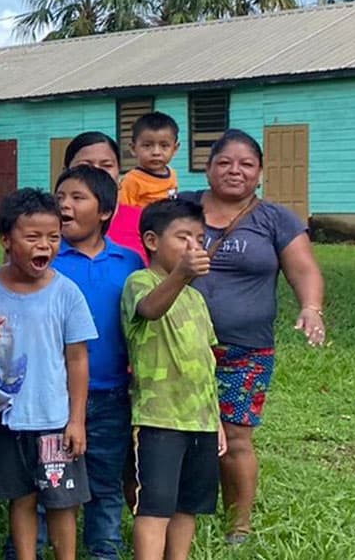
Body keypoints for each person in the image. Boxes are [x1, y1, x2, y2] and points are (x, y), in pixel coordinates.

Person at [175, 129, 327, 546]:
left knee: (236, 436)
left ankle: (238, 526)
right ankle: (168, 514)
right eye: (224, 162)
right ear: (208, 169)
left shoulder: (275, 219)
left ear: (260, 172)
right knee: (169, 433)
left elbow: (304, 269)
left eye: (246, 164)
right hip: (175, 346)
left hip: (245, 349)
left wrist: (310, 307)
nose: (235, 171)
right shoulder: (180, 207)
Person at [0, 189, 98, 560]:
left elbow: (77, 360)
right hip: (5, 417)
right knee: (21, 497)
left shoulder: (66, 292)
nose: (44, 245)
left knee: (62, 501)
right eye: (32, 237)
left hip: (54, 419)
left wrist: (76, 420)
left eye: (53, 237)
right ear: (5, 239)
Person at [46, 165, 146, 560]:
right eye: (60, 197)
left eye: (77, 198)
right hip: (55, 391)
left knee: (105, 479)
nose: (65, 205)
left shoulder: (129, 262)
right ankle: (33, 544)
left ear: (105, 211)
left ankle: (104, 548)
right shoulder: (46, 258)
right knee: (50, 478)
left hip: (111, 392)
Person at [123, 199, 225, 560]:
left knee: (187, 505)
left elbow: (206, 360)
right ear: (152, 241)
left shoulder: (196, 298)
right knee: (155, 507)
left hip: (200, 419)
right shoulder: (140, 282)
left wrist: (216, 419)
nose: (194, 246)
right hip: (158, 419)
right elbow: (150, 309)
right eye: (183, 237)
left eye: (199, 238)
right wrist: (181, 274)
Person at [62, 132, 147, 261]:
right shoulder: (49, 223)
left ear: (119, 172)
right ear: (65, 172)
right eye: (85, 166)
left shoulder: (144, 221)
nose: (97, 173)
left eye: (106, 165)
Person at [118, 112, 181, 209]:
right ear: (133, 148)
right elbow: (124, 212)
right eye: (147, 145)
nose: (156, 152)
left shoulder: (172, 174)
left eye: (164, 146)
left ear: (175, 149)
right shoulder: (131, 181)